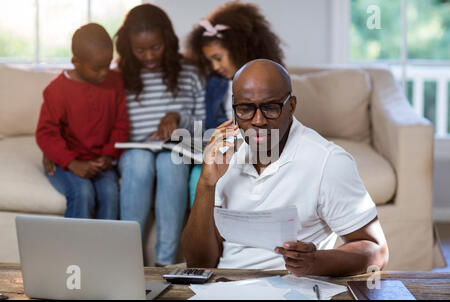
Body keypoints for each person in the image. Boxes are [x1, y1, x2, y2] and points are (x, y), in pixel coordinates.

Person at [181, 59, 389, 277]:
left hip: (293, 289)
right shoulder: (225, 154)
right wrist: (206, 184)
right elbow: (199, 263)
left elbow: (377, 250)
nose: (258, 120)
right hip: (226, 289)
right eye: (245, 109)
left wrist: (315, 261)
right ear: (234, 108)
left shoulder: (328, 161)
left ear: (291, 107)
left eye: (271, 108)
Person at [115, 4, 205, 266]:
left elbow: (201, 128)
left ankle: (164, 264)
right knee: (139, 161)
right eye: (139, 50)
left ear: (167, 39)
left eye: (155, 47)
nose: (148, 56)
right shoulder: (119, 76)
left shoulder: (191, 73)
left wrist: (177, 118)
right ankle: (127, 261)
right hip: (134, 152)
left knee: (170, 162)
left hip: (176, 149)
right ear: (127, 47)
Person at [185, 2, 284, 207]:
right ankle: (208, 235)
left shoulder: (270, 83)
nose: (215, 66)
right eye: (210, 61)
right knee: (199, 176)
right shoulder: (216, 84)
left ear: (238, 48)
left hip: (255, 150)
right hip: (223, 152)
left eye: (218, 58)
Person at [36, 23, 129, 220]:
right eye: (97, 69)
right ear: (75, 61)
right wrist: (71, 163)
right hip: (67, 162)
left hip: (101, 162)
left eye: (108, 65)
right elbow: (46, 133)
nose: (104, 73)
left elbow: (121, 125)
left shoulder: (115, 82)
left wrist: (108, 155)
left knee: (110, 194)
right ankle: (75, 251)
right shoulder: (57, 91)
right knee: (83, 192)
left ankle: (106, 249)